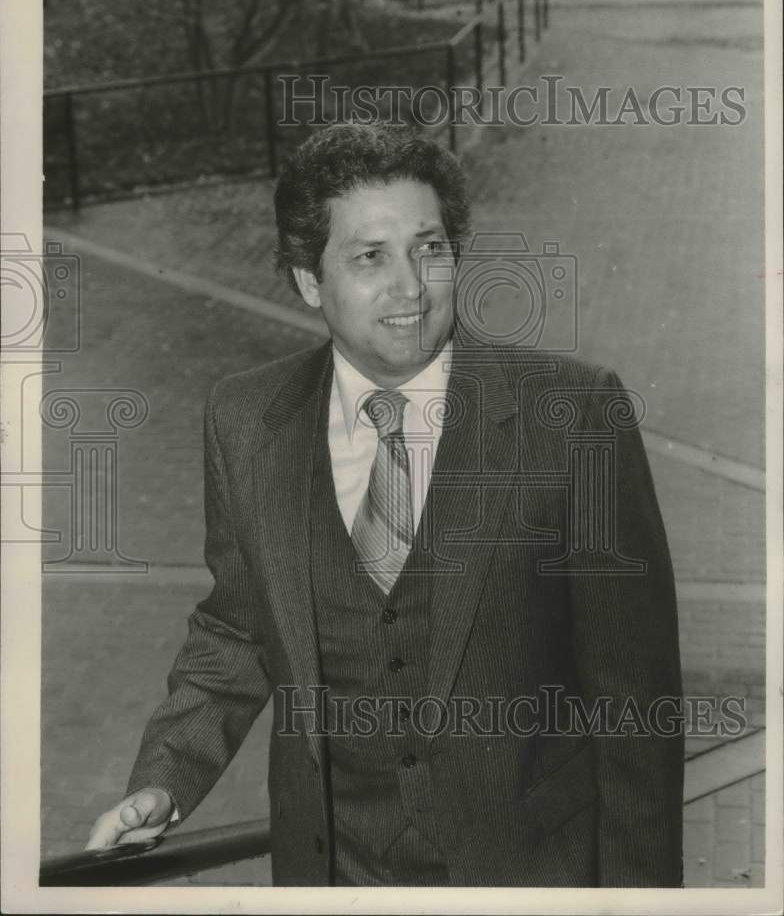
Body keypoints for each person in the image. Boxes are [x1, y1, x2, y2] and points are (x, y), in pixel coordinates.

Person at [86, 122, 684, 887]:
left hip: (531, 878)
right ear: (309, 279)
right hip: (335, 878)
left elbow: (636, 709)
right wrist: (162, 782)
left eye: (429, 248)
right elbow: (235, 629)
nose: (410, 286)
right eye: (370, 257)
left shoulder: (571, 416)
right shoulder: (245, 418)